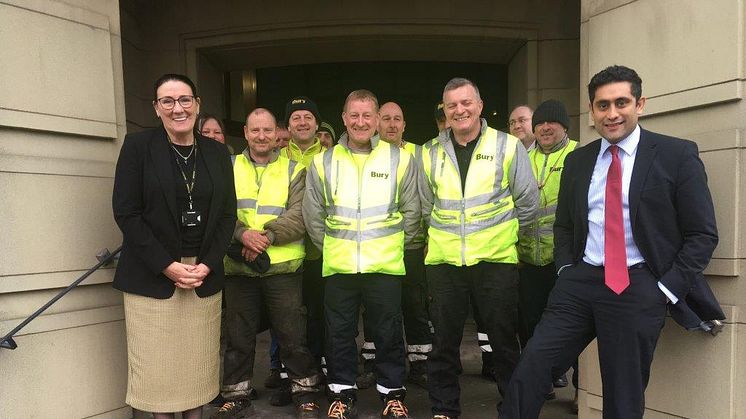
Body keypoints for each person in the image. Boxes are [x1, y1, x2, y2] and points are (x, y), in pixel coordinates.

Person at [500, 65, 720, 419]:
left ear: (640, 104)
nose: (612, 113)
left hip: (638, 286)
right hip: (579, 283)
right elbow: (565, 225)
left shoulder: (676, 155)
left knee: (622, 397)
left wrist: (664, 289)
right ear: (592, 111)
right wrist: (566, 269)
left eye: (622, 102)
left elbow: (702, 234)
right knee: (530, 370)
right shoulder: (578, 161)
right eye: (603, 105)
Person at [112, 73, 237, 419]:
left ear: (197, 104)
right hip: (152, 280)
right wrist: (167, 265)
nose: (177, 108)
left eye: (184, 99)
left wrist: (208, 264)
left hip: (201, 278)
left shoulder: (216, 152)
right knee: (158, 384)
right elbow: (126, 212)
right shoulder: (137, 148)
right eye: (167, 101)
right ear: (156, 108)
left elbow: (228, 215)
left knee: (194, 379)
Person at [419, 77, 538, 419]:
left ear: (480, 106)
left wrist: (509, 243)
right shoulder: (429, 153)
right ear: (445, 110)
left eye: (466, 102)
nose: (460, 110)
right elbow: (427, 208)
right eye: (452, 105)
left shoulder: (507, 146)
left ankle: (513, 409)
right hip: (445, 263)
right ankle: (444, 408)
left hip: (495, 261)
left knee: (503, 342)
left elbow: (527, 204)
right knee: (443, 342)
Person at [303, 90, 420, 419]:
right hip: (339, 265)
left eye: (367, 115)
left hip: (384, 265)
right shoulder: (324, 161)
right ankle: (342, 393)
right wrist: (331, 248)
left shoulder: (399, 159)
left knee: (387, 331)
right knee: (339, 332)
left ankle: (392, 392)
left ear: (378, 119)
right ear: (343, 118)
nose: (360, 122)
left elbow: (413, 211)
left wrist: (394, 246)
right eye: (354, 115)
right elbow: (313, 215)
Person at [213, 108, 323, 419]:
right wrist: (242, 235)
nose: (261, 137)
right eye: (255, 131)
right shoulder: (228, 168)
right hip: (238, 268)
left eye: (267, 131)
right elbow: (218, 212)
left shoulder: (294, 170)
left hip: (283, 269)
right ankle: (236, 395)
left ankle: (305, 393)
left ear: (276, 134)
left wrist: (265, 237)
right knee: (238, 335)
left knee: (292, 334)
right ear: (245, 133)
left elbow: (300, 215)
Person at [357, 101, 431, 390]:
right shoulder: (368, 154)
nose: (390, 124)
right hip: (378, 249)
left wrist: (423, 240)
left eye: (396, 119)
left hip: (411, 245)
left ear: (404, 125)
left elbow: (425, 200)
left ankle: (420, 363)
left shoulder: (418, 154)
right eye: (385, 118)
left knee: (415, 305)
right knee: (377, 308)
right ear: (376, 122)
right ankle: (375, 361)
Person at [515, 99, 579, 401]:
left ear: (564, 126)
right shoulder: (522, 156)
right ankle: (544, 384)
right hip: (529, 258)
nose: (545, 128)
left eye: (551, 122)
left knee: (574, 326)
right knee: (532, 325)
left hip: (566, 260)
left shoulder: (578, 154)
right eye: (540, 123)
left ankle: (582, 389)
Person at [277, 96, 330, 399]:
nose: (302, 122)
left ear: (316, 122)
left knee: (322, 316)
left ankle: (321, 372)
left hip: (322, 252)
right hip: (288, 253)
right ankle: (291, 377)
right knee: (289, 320)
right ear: (288, 124)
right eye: (296, 117)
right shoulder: (277, 158)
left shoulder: (331, 156)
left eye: (308, 116)